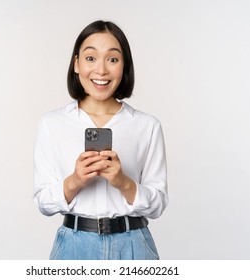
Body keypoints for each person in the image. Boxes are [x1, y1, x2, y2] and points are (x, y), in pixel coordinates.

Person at [33, 20, 168, 260]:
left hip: (134, 246)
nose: (102, 70)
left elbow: (158, 205)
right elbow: (43, 202)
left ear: (124, 66)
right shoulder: (52, 123)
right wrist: (75, 180)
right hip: (74, 246)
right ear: (76, 64)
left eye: (113, 59)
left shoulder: (147, 126)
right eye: (91, 58)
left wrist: (122, 181)